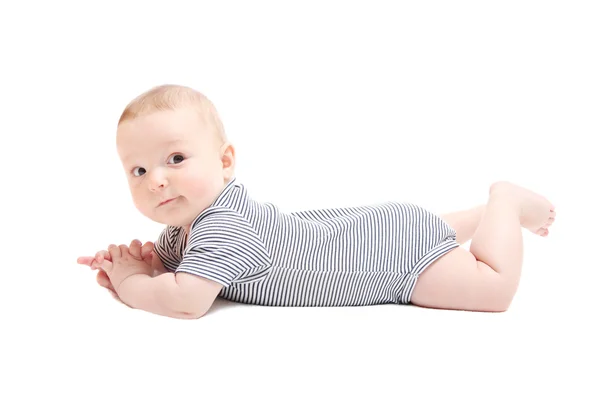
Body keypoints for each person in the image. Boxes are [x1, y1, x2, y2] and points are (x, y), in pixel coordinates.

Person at [76, 84, 556, 319]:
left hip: (391, 261)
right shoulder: (193, 222)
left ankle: (503, 203)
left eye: (175, 158)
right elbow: (174, 265)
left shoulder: (223, 227)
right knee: (422, 232)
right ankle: (475, 217)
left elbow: (185, 302)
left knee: (492, 291)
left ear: (225, 162)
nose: (156, 181)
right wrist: (144, 260)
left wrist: (131, 282)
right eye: (138, 170)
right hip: (374, 231)